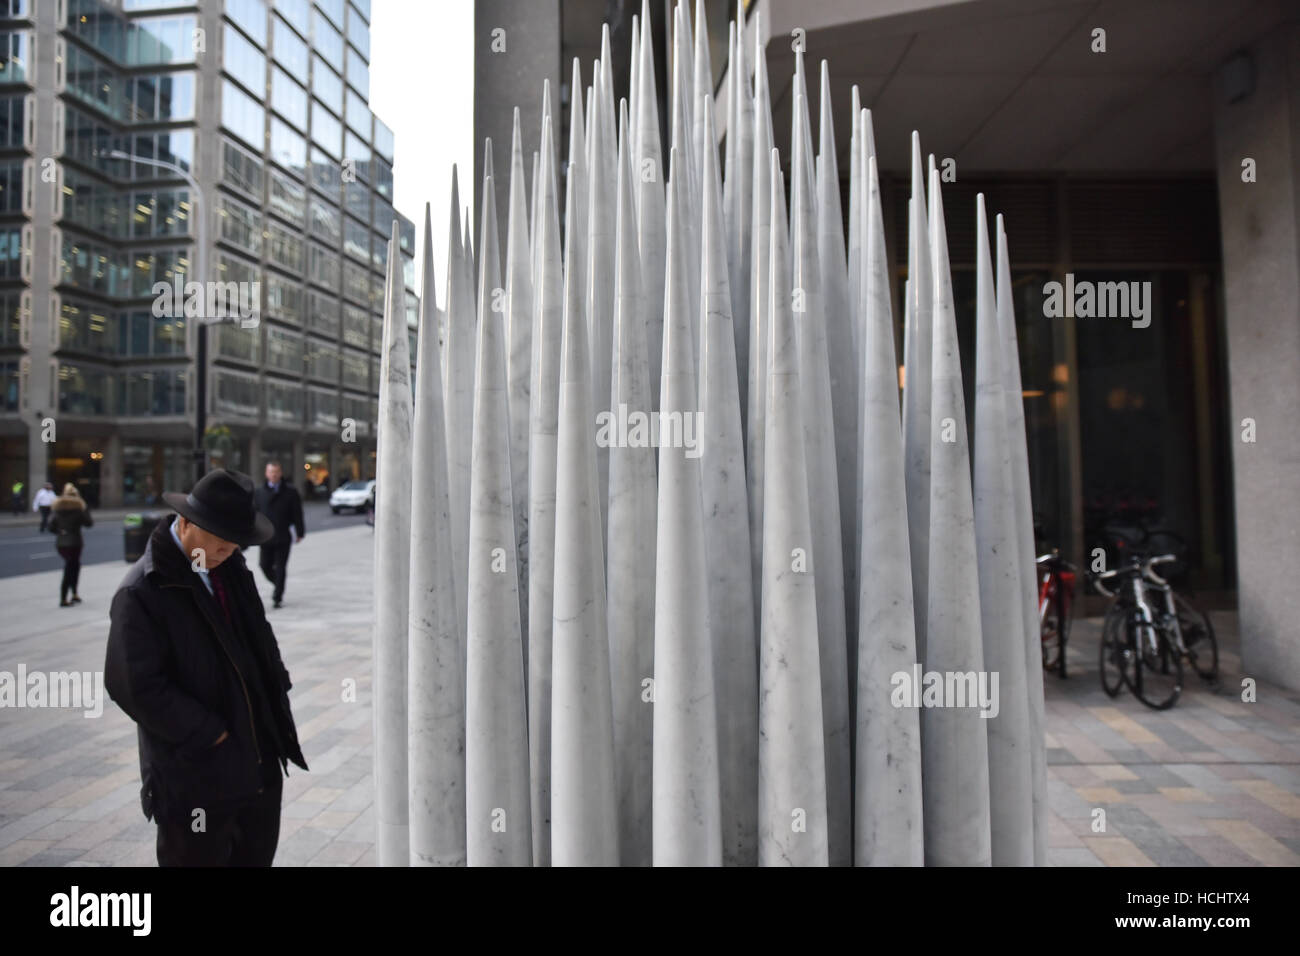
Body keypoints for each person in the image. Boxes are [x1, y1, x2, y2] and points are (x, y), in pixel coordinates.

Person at [105, 468, 307, 867]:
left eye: (235, 545)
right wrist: (209, 733)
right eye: (218, 543)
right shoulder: (141, 591)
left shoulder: (232, 567)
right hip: (195, 779)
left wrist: (275, 691)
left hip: (259, 766)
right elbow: (133, 685)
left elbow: (260, 637)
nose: (226, 552)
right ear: (186, 523)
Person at [253, 461, 305, 609]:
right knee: (264, 565)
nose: (274, 475)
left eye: (276, 472)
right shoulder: (259, 492)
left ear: (280, 473)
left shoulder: (290, 492)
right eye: (271, 472)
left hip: (282, 536)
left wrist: (300, 532)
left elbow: (297, 514)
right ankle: (278, 583)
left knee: (281, 566)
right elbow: (254, 514)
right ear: (266, 474)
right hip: (265, 537)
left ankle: (278, 596)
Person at [49, 484, 93, 606]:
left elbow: (51, 526)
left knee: (72, 566)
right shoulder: (78, 509)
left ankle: (72, 594)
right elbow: (89, 523)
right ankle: (65, 597)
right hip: (74, 542)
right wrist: (85, 508)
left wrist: (61, 531)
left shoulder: (58, 509)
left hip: (61, 543)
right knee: (72, 568)